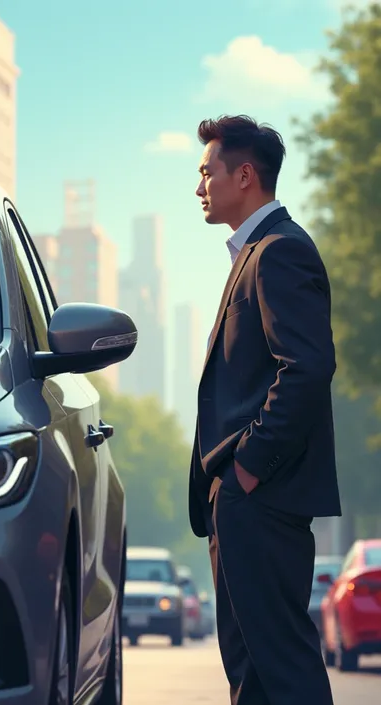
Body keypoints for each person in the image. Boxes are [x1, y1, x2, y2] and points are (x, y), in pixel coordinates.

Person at [188, 114, 341, 705]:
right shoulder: (254, 252)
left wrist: (247, 466)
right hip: (247, 500)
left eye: (207, 172)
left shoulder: (279, 252)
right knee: (253, 669)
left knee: (281, 664)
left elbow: (306, 368)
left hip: (263, 498)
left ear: (244, 175)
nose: (200, 187)